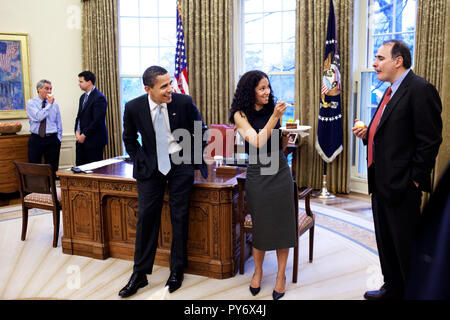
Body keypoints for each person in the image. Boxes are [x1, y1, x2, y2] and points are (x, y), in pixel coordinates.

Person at [352, 40, 442, 300]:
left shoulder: (420, 89)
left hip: (402, 185)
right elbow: (392, 133)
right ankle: (392, 287)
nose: (374, 63)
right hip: (380, 182)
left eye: (380, 58)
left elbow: (430, 141)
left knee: (405, 247)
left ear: (398, 60)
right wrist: (368, 134)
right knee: (386, 243)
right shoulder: (390, 90)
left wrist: (414, 180)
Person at [119, 66, 208, 298]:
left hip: (180, 163)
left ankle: (176, 270)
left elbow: (201, 130)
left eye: (170, 84)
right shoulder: (133, 107)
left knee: (179, 216)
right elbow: (128, 138)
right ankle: (139, 274)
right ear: (148, 89)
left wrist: (191, 159)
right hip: (151, 167)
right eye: (164, 86)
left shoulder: (183, 102)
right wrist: (141, 159)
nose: (170, 89)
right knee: (146, 218)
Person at [229, 70, 296, 300]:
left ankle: (280, 275)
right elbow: (257, 141)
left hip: (279, 169)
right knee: (261, 225)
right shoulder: (240, 114)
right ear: (251, 91)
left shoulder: (272, 107)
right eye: (262, 88)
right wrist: (275, 118)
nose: (267, 92)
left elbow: (276, 141)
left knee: (283, 224)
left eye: (268, 87)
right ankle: (257, 271)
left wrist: (284, 132)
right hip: (258, 171)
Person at [26, 79, 63, 173]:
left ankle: (51, 188)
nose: (49, 91)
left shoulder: (55, 105)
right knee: (35, 168)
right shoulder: (31, 103)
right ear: (39, 89)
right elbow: (39, 117)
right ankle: (37, 188)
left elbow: (59, 123)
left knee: (52, 168)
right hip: (36, 139)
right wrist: (49, 105)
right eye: (46, 88)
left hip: (52, 139)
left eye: (51, 89)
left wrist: (58, 139)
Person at [74, 70, 108, 166]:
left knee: (94, 171)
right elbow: (79, 117)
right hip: (80, 140)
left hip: (94, 141)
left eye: (81, 82)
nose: (79, 84)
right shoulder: (82, 97)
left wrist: (84, 135)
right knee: (80, 170)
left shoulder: (99, 98)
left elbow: (97, 121)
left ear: (89, 82)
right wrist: (76, 131)